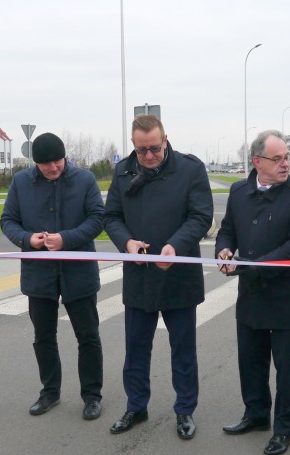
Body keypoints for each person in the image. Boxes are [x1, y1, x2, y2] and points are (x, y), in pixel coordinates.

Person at [103, 114, 213, 440]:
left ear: (165, 140)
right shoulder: (123, 172)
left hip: (178, 273)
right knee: (136, 348)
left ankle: (185, 410)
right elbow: (111, 216)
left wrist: (175, 246)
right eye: (141, 150)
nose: (149, 156)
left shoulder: (190, 170)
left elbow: (201, 215)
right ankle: (136, 406)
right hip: (139, 276)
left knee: (183, 349)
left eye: (154, 148)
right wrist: (127, 243)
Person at [215, 130, 290, 455]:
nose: (286, 163)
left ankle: (284, 429)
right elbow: (227, 229)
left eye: (287, 157)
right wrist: (224, 250)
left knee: (287, 368)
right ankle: (256, 414)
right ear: (257, 161)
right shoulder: (238, 191)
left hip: (286, 295)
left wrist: (248, 264)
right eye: (278, 159)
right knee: (251, 361)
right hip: (251, 294)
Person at [0, 132, 105, 421]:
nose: (53, 168)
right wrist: (26, 239)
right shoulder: (22, 183)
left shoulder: (84, 180)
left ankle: (92, 396)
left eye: (57, 161)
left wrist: (66, 239)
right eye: (45, 164)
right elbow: (7, 220)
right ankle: (50, 391)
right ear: (36, 164)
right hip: (39, 275)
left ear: (64, 157)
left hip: (78, 272)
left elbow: (98, 218)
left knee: (88, 336)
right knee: (43, 336)